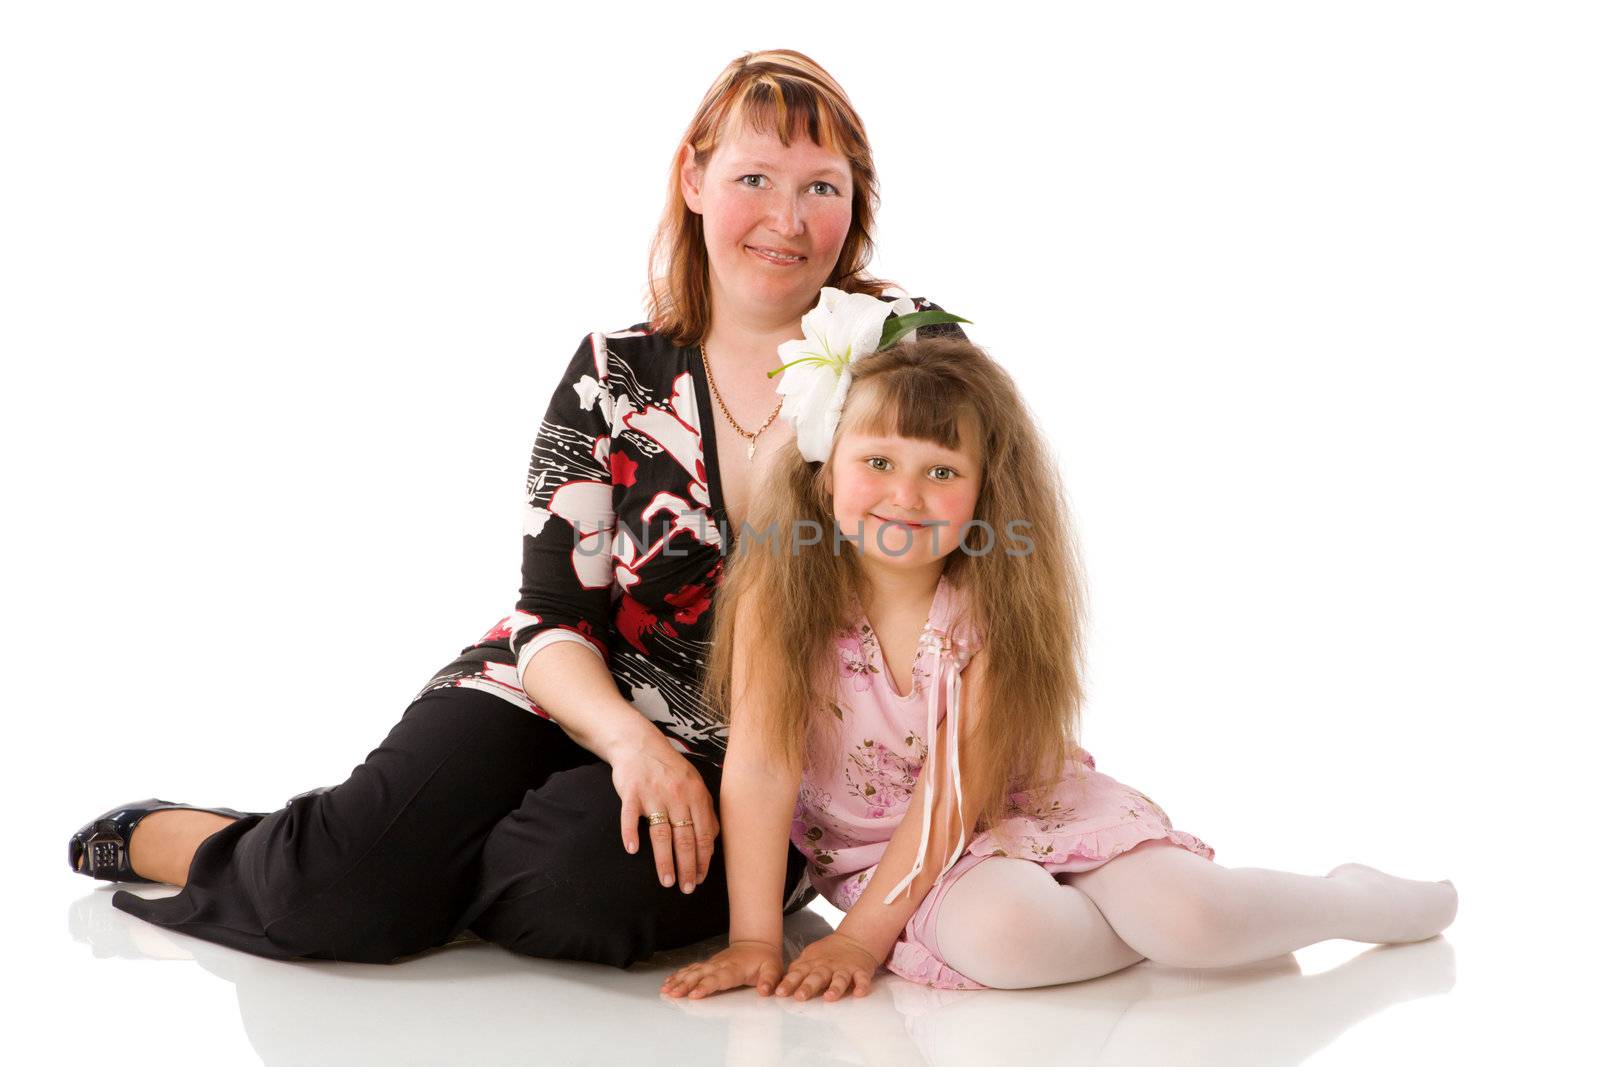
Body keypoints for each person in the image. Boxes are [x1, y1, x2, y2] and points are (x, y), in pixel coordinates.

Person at [67, 49, 964, 967]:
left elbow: (972, 585)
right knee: (332, 896)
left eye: (822, 187)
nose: (787, 218)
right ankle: (242, 845)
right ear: (694, 178)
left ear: (857, 208)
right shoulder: (615, 371)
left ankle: (402, 865)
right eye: (753, 178)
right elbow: (553, 617)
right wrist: (626, 742)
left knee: (574, 894)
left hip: (758, 762)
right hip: (563, 691)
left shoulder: (904, 359)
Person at [661, 326, 1459, 998]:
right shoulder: (784, 596)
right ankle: (1157, 932)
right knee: (1012, 935)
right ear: (825, 463)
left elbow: (957, 791)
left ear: (983, 494)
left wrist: (860, 946)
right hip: (888, 856)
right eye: (878, 462)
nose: (904, 493)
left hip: (1014, 802)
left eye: (941, 472)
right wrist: (758, 938)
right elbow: (762, 765)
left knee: (1195, 918)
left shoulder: (983, 607)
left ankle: (1344, 899)